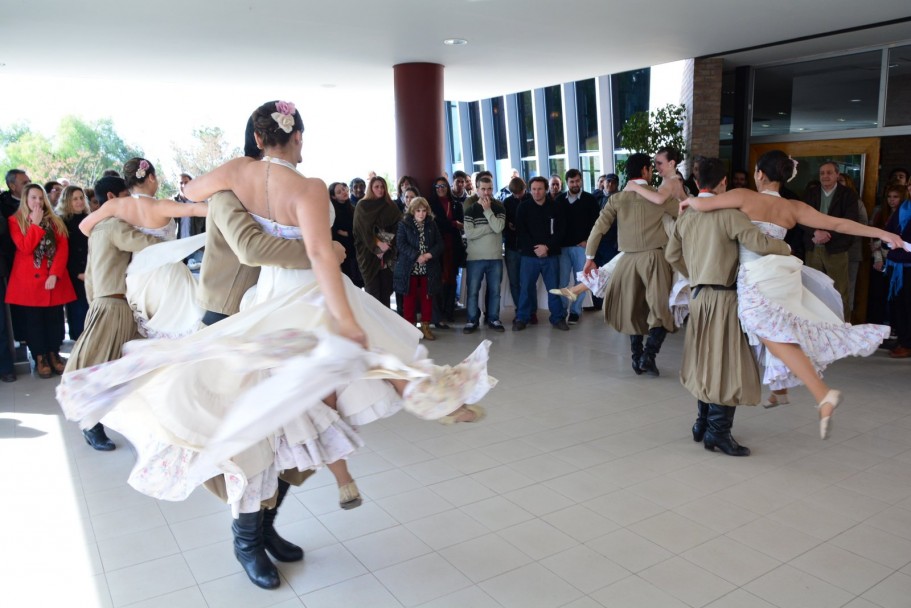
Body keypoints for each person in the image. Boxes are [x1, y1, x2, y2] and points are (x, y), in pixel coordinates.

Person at [57, 101, 493, 590]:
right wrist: (345, 315)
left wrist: (215, 188)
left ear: (259, 139)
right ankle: (250, 536)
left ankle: (267, 526)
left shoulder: (235, 173)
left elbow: (194, 190)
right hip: (267, 305)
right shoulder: (306, 188)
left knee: (300, 421)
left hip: (265, 300)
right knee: (262, 430)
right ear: (298, 138)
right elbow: (309, 256)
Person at [681, 150, 903, 437]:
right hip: (783, 274)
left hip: (756, 276)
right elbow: (837, 224)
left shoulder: (745, 197)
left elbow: (705, 203)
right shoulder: (794, 207)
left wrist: (687, 201)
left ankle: (820, 393)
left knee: (770, 331)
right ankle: (782, 388)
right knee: (777, 329)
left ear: (760, 174)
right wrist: (883, 234)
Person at [666, 157, 792, 456]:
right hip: (725, 298)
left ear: (697, 183)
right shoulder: (729, 214)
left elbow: (672, 255)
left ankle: (702, 424)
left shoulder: (687, 215)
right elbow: (760, 244)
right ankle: (718, 433)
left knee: (705, 362)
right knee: (727, 366)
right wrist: (785, 247)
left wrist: (695, 274)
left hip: (699, 297)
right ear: (724, 182)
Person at [62, 175, 161, 451]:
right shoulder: (116, 226)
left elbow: (92, 276)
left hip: (107, 303)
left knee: (119, 366)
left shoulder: (99, 228)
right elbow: (149, 245)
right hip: (113, 305)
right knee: (101, 365)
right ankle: (91, 425)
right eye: (127, 196)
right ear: (112, 199)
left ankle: (111, 423)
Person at [79, 158, 208, 339]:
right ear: (152, 178)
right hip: (167, 275)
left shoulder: (115, 206)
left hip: (137, 277)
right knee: (184, 332)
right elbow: (195, 210)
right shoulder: (161, 205)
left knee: (151, 337)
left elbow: (85, 227)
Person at [583, 153, 678, 376]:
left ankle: (637, 358)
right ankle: (649, 355)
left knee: (633, 309)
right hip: (655, 259)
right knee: (661, 309)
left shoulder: (616, 199)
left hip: (627, 260)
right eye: (651, 168)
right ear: (645, 170)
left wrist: (589, 258)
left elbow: (598, 228)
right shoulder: (659, 195)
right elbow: (685, 214)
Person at [5, 184, 76, 378]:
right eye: (33, 198)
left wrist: (54, 274)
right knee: (34, 321)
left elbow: (63, 249)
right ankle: (40, 357)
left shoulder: (55, 220)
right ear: (25, 200)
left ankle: (54, 354)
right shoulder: (15, 220)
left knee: (54, 319)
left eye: (40, 198)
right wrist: (35, 225)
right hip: (29, 281)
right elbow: (25, 248)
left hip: (53, 278)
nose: (37, 202)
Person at [802, 162, 859, 318]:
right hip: (813, 247)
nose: (825, 176)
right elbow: (800, 218)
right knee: (813, 289)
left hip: (837, 249)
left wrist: (829, 235)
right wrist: (815, 232)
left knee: (840, 290)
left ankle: (843, 327)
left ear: (837, 174)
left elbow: (851, 220)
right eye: (822, 173)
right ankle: (817, 326)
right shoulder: (810, 193)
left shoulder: (848, 194)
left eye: (829, 173)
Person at [514, 176, 568, 331]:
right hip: (529, 256)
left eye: (540, 189)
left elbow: (561, 231)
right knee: (526, 288)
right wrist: (536, 249)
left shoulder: (556, 207)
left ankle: (557, 318)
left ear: (546, 189)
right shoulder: (523, 207)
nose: (536, 192)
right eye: (534, 189)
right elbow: (521, 232)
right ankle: (523, 318)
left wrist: (547, 248)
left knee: (553, 288)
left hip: (550, 255)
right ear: (530, 190)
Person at [394, 196, 443, 340]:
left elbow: (439, 244)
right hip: (409, 267)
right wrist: (417, 256)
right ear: (412, 211)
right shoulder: (404, 224)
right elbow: (401, 244)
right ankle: (410, 328)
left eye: (424, 210)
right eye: (418, 211)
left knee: (427, 297)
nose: (421, 213)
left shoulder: (432, 224)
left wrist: (429, 254)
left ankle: (426, 326)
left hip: (428, 267)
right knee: (409, 297)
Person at [555, 168, 600, 324]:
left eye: (577, 181)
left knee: (582, 281)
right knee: (562, 281)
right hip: (562, 248)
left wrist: (588, 240)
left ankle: (575, 311)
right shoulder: (559, 200)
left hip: (582, 248)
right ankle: (561, 312)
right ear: (567, 183)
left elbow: (597, 224)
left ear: (581, 181)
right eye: (572, 181)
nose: (575, 184)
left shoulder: (590, 199)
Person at [462, 176, 506, 333]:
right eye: (483, 189)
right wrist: (489, 227)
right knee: (473, 291)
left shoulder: (499, 207)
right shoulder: (470, 210)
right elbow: (469, 233)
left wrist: (488, 211)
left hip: (495, 257)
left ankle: (493, 318)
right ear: (477, 189)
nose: (486, 192)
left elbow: (499, 227)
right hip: (475, 258)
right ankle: (472, 320)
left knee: (495, 291)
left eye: (489, 189)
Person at [353, 176, 401, 308]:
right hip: (368, 254)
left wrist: (386, 244)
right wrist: (378, 246)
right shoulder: (362, 206)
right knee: (372, 293)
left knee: (386, 292)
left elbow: (398, 226)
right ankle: (373, 327)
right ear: (371, 189)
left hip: (388, 254)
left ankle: (385, 327)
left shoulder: (391, 206)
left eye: (382, 186)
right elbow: (362, 231)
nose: (380, 189)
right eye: (376, 187)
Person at [428, 177, 466, 326]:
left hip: (454, 246)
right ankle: (441, 313)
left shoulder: (456, 204)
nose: (441, 188)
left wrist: (454, 225)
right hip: (438, 247)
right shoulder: (431, 205)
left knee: (452, 279)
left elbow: (461, 223)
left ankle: (450, 311)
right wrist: (453, 224)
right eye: (437, 186)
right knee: (440, 280)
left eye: (443, 185)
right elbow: (437, 224)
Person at [868, 185, 905, 324]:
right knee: (878, 293)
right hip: (881, 258)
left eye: (895, 197)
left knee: (896, 295)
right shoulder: (880, 212)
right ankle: (878, 323)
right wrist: (878, 259)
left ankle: (893, 325)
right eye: (889, 197)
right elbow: (874, 238)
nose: (891, 200)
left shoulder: (905, 214)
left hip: (898, 261)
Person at [58, 186, 90, 341]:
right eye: (75, 199)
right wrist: (77, 272)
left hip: (90, 270)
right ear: (67, 201)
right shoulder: (62, 222)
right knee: (78, 312)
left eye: (81, 198)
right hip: (74, 274)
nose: (79, 202)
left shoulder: (90, 218)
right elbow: (64, 251)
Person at [883, 195, 911, 358]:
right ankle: (903, 338)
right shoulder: (904, 206)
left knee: (908, 304)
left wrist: (904, 245)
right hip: (896, 263)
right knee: (897, 303)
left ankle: (907, 342)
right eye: (909, 185)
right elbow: (891, 228)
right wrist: (890, 241)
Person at [329, 181, 363, 287]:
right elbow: (333, 232)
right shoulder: (331, 211)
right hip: (342, 253)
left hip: (355, 251)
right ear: (334, 197)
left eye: (343, 189)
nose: (343, 192)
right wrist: (345, 233)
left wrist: (346, 233)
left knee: (358, 284)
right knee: (346, 284)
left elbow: (358, 231)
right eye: (339, 192)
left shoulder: (353, 207)